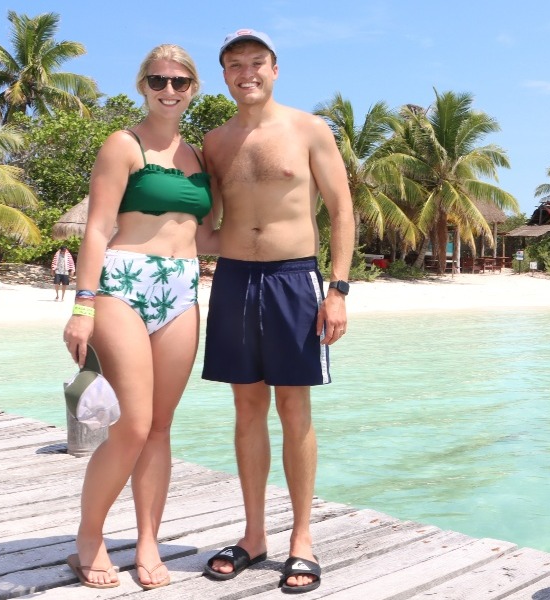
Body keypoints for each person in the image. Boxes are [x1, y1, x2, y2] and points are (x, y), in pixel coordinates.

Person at [199, 29, 353, 594]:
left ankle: (302, 540)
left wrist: (337, 288)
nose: (247, 73)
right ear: (224, 75)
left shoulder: (310, 128)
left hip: (295, 278)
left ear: (275, 68)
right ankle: (254, 535)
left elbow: (341, 209)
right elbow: (205, 222)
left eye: (257, 62)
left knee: (294, 406)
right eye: (235, 64)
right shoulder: (214, 142)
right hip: (234, 279)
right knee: (246, 406)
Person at [61, 43, 212, 591]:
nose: (168, 90)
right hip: (122, 284)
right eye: (158, 80)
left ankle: (148, 540)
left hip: (183, 287)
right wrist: (83, 305)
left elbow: (208, 231)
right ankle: (89, 538)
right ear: (142, 85)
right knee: (132, 427)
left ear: (194, 88)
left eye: (179, 81)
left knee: (161, 429)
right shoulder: (122, 144)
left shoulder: (198, 156)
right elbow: (98, 228)